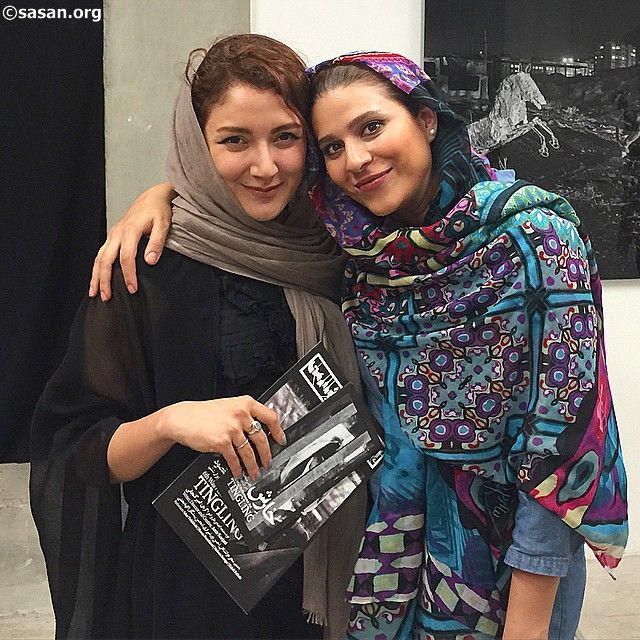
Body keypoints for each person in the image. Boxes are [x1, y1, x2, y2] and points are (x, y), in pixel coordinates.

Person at [90, 52, 628, 640]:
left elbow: (562, 441)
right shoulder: (361, 253)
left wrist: (527, 627)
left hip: (505, 572)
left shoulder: (533, 241)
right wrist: (165, 194)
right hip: (386, 565)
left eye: (371, 127)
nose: (356, 159)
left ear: (426, 118)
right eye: (331, 147)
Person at [30, 34, 367, 640]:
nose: (265, 167)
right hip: (195, 597)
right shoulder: (146, 269)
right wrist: (168, 423)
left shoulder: (348, 248)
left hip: (337, 584)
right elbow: (73, 444)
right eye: (234, 140)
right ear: (197, 142)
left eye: (285, 137)